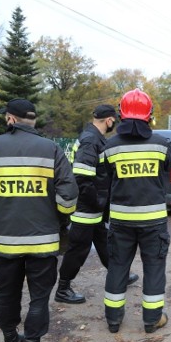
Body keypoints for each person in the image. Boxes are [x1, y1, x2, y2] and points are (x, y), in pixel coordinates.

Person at [0, 99, 78, 342]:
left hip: (5, 240)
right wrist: (59, 218)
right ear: (33, 120)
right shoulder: (51, 149)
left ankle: (10, 341)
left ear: (10, 119)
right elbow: (69, 196)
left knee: (7, 293)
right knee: (39, 298)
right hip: (44, 240)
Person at [103, 89, 171, 334]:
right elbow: (166, 176)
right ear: (149, 114)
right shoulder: (162, 145)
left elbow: (105, 182)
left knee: (118, 266)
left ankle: (113, 319)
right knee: (154, 267)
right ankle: (152, 319)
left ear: (121, 114)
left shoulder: (109, 147)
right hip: (153, 221)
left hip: (121, 220)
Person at [56, 105, 138, 304]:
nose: (114, 124)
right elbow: (82, 178)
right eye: (113, 121)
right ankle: (63, 289)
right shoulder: (91, 140)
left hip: (94, 207)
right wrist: (98, 202)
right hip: (86, 208)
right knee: (78, 249)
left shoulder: (94, 138)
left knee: (104, 243)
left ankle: (120, 275)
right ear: (108, 120)